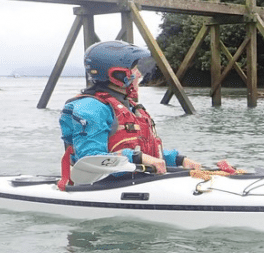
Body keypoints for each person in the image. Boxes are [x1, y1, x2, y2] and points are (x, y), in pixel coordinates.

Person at [58, 40, 200, 189]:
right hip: (101, 185)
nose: (139, 74)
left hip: (135, 182)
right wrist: (137, 158)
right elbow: (90, 159)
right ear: (117, 74)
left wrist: (178, 160)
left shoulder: (131, 106)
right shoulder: (90, 108)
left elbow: (144, 149)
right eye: (134, 69)